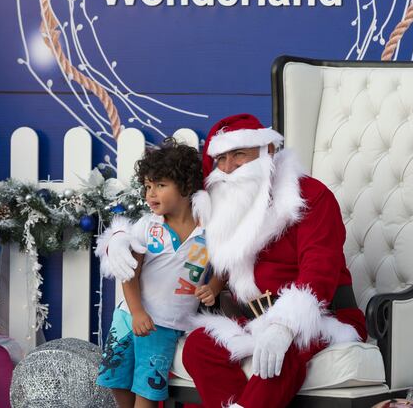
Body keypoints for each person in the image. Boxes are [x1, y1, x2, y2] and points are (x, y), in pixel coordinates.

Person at [182, 113, 367, 407]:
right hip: (255, 317)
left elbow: (319, 269)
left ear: (267, 151)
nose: (228, 168)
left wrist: (284, 325)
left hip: (321, 316)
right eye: (221, 159)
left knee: (281, 351)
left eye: (239, 154)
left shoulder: (310, 195)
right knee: (199, 345)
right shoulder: (229, 209)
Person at [95, 139, 224, 408]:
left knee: (148, 389)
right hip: (129, 315)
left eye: (160, 185)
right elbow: (130, 273)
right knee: (116, 379)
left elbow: (225, 267)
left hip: (166, 324)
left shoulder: (209, 230)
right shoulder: (147, 227)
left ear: (186, 187)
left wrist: (213, 286)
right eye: (148, 186)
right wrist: (137, 312)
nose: (150, 194)